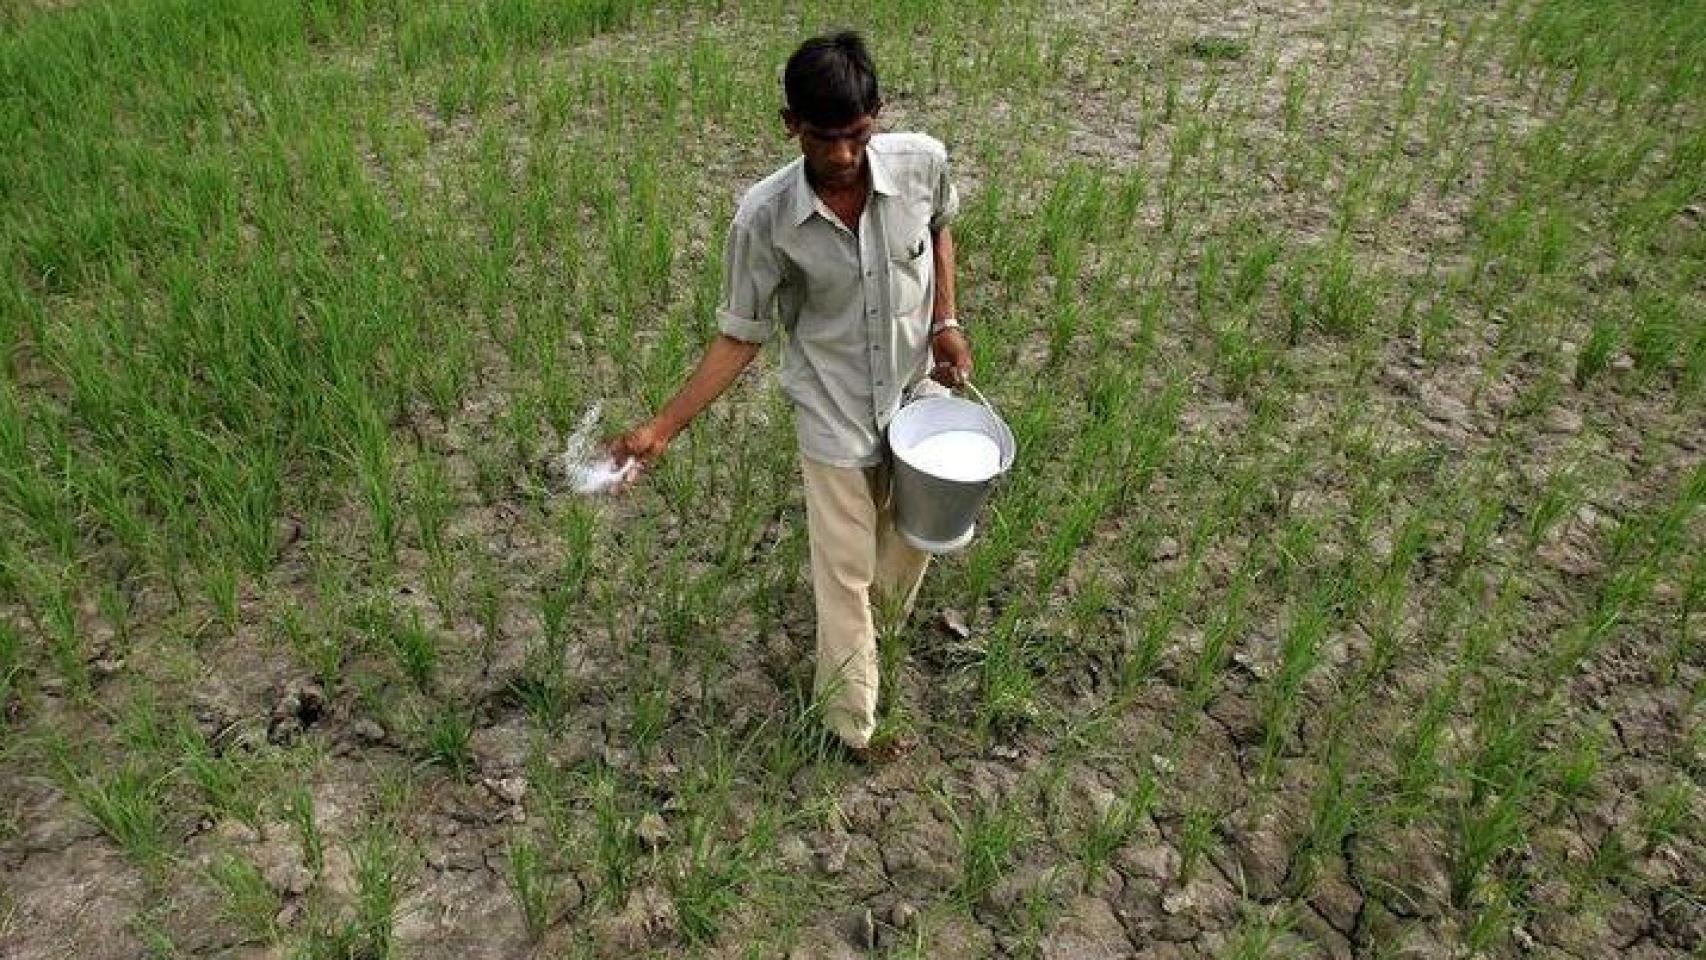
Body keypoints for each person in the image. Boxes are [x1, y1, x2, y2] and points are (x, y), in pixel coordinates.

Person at [610, 31, 972, 762]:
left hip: (912, 393)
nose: (841, 155)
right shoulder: (764, 218)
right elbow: (740, 336)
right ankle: (849, 726)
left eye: (855, 135)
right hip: (833, 409)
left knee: (914, 536)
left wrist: (946, 323)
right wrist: (663, 427)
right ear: (789, 125)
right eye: (822, 138)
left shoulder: (921, 163)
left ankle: (876, 634)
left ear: (877, 116)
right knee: (843, 573)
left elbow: (938, 231)